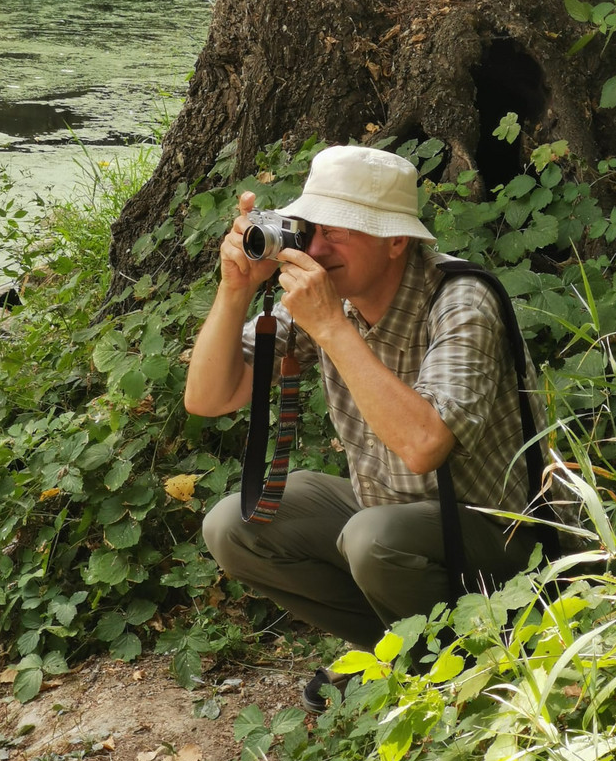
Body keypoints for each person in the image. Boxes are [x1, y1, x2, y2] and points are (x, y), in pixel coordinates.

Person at [184, 144, 546, 710]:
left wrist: (330, 327)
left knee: (372, 539)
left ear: (396, 240)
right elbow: (209, 398)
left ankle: (463, 675)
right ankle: (400, 656)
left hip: (503, 541)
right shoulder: (333, 296)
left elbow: (425, 447)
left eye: (340, 232)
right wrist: (236, 290)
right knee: (233, 524)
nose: (319, 248)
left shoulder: (461, 299)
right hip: (387, 514)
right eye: (311, 229)